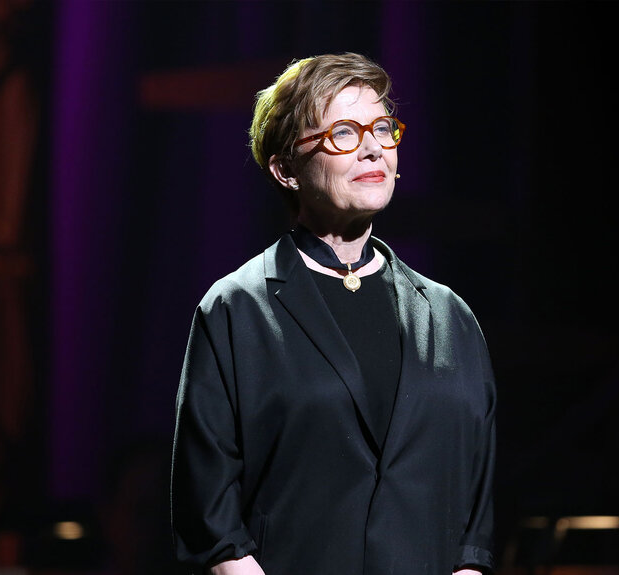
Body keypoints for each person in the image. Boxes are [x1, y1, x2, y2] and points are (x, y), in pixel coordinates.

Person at [171, 53, 496, 575]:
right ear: (286, 169)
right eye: (343, 131)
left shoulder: (448, 317)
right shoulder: (238, 310)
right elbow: (210, 513)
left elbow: (474, 521)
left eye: (383, 128)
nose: (372, 147)